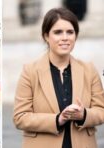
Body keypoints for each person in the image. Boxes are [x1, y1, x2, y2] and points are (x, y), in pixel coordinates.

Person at [13, 8, 104, 148]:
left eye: (70, 32)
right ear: (46, 36)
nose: (65, 38)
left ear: (76, 36)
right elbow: (20, 117)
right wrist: (57, 119)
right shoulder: (30, 71)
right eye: (58, 32)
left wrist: (84, 115)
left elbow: (101, 111)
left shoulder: (89, 70)